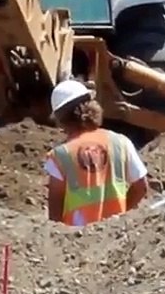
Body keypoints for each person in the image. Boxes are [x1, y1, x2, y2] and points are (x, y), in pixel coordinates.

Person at [43, 79, 149, 226]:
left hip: (78, 240)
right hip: (114, 235)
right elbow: (141, 187)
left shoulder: (60, 156)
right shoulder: (121, 142)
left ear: (61, 119)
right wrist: (120, 216)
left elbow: (55, 213)